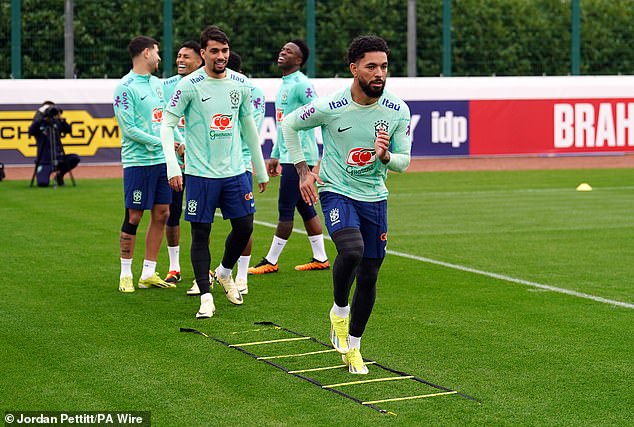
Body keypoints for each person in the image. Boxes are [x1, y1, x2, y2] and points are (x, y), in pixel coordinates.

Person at [282, 36, 411, 374]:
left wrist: (385, 156)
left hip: (375, 197)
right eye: (371, 66)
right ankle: (339, 309)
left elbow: (404, 162)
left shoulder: (397, 110)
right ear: (354, 69)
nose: (379, 73)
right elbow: (289, 124)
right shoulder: (330, 105)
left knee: (369, 275)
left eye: (384, 66)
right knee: (351, 250)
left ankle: (354, 347)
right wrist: (303, 171)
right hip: (337, 190)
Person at [160, 26, 269, 319]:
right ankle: (206, 297)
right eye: (215, 51)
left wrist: (260, 170)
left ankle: (223, 271)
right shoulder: (189, 85)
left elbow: (248, 126)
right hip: (199, 174)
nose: (221, 56)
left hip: (235, 172)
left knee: (245, 226)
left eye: (225, 51)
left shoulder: (240, 84)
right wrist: (173, 166)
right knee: (201, 233)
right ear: (203, 53)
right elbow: (166, 125)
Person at [248, 39, 329, 275]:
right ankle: (321, 258)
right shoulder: (285, 84)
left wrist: (300, 153)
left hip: (300, 158)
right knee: (305, 208)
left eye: (289, 51)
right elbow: (283, 124)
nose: (282, 52)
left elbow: (318, 110)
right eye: (282, 49)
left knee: (285, 208)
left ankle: (271, 261)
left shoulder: (301, 84)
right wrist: (275, 154)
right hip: (288, 156)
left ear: (299, 60)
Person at [113, 35, 174, 293]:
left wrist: (178, 142)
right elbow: (129, 130)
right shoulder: (125, 87)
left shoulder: (158, 85)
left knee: (163, 213)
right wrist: (163, 142)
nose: (160, 58)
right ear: (146, 53)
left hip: (161, 161)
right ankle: (125, 273)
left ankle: (148, 272)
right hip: (138, 162)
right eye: (157, 52)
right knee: (135, 215)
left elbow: (166, 121)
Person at [161, 41, 204, 285]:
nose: (180, 60)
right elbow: (164, 120)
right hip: (177, 161)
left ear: (200, 58)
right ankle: (174, 267)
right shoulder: (167, 86)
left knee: (202, 218)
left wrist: (193, 146)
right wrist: (180, 145)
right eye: (178, 55)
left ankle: (204, 271)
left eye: (186, 56)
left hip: (201, 163)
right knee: (172, 213)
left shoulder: (208, 84)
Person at [28, 101, 80, 187]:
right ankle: (45, 172)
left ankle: (59, 176)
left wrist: (61, 119)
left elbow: (68, 130)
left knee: (75, 158)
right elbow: (31, 131)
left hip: (58, 158)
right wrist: (40, 119)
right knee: (42, 184)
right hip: (44, 161)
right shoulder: (39, 124)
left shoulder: (56, 123)